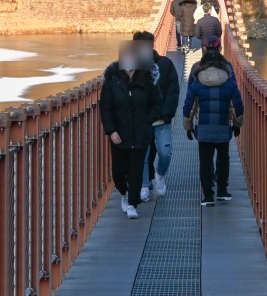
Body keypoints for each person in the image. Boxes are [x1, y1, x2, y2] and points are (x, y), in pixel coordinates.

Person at [99, 43, 164, 219]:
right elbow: (106, 108)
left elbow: (157, 104)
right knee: (119, 172)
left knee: (136, 170)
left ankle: (132, 204)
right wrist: (111, 131)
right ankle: (123, 192)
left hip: (140, 134)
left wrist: (147, 121)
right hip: (119, 134)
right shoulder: (112, 82)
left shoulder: (147, 81)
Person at [183, 39, 244, 206]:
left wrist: (188, 127)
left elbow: (188, 105)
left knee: (205, 162)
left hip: (203, 128)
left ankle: (208, 195)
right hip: (223, 127)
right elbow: (237, 105)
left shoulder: (197, 80)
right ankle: (222, 191)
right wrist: (237, 125)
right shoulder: (229, 80)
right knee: (223, 158)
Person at [132, 31, 179, 201]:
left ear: (152, 45)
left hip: (161, 118)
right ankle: (144, 185)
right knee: (142, 154)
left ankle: (159, 175)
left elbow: (173, 91)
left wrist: (166, 112)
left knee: (165, 152)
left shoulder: (165, 64)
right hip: (141, 119)